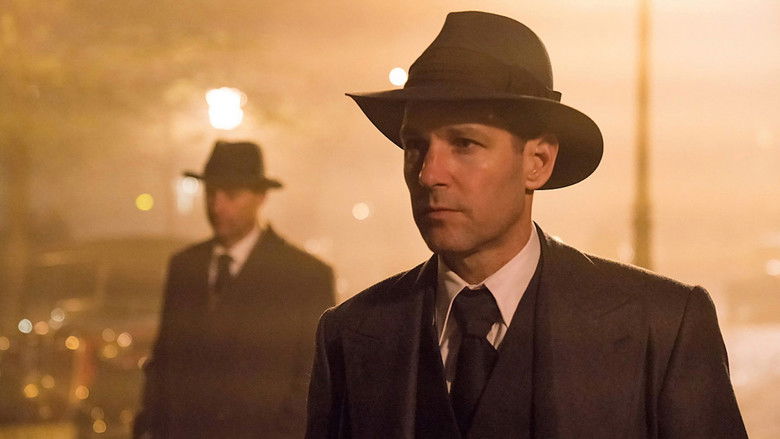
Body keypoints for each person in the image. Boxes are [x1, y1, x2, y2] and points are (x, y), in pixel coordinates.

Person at [306, 11, 747, 439]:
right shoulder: (350, 334)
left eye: (464, 144)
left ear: (537, 162)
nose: (428, 173)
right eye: (415, 146)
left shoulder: (663, 326)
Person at [135, 140, 335, 438]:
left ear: (261, 197)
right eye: (211, 193)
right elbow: (163, 360)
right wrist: (148, 426)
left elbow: (309, 379)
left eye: (230, 194)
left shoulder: (304, 276)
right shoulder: (184, 267)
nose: (217, 206)